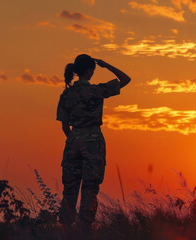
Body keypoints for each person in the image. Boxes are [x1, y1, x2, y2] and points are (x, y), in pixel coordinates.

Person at [56, 54, 131, 234]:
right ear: (90, 71)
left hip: (72, 142)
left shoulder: (66, 95)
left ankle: (66, 232)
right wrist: (106, 65)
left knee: (70, 189)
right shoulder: (96, 91)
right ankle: (84, 232)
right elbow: (126, 79)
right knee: (90, 188)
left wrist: (75, 139)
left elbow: (65, 126)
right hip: (93, 142)